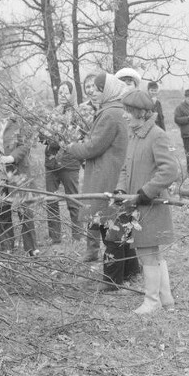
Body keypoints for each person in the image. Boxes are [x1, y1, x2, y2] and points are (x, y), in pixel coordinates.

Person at [66, 73, 138, 290]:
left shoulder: (110, 114)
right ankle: (131, 271)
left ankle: (111, 281)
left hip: (107, 175)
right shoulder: (118, 110)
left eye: (97, 89)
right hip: (117, 174)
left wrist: (70, 148)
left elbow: (93, 147)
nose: (92, 93)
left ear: (107, 90)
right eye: (91, 89)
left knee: (110, 229)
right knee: (122, 225)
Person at [114, 90, 180, 314]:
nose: (124, 115)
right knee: (151, 251)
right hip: (135, 203)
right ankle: (166, 298)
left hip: (150, 204)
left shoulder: (157, 135)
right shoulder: (134, 134)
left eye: (128, 111)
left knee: (147, 251)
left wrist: (145, 193)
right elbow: (126, 166)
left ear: (141, 113)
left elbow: (171, 170)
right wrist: (121, 189)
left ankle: (152, 302)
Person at [0, 91, 39, 256]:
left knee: (24, 208)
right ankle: (7, 247)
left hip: (17, 171)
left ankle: (31, 248)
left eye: (8, 102)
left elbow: (25, 146)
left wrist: (12, 157)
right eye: (1, 102)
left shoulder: (19, 122)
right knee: (1, 209)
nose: (4, 105)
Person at [42, 81, 83, 244]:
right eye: (60, 92)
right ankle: (54, 236)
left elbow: (76, 137)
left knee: (72, 200)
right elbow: (45, 134)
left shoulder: (78, 114)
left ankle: (78, 236)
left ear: (72, 94)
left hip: (69, 162)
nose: (62, 95)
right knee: (50, 200)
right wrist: (44, 135)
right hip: (51, 163)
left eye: (66, 92)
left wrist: (58, 138)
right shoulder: (53, 112)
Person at [78, 74, 101, 262]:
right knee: (91, 204)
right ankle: (92, 248)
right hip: (89, 161)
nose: (90, 89)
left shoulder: (108, 107)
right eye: (87, 86)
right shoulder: (82, 109)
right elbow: (76, 135)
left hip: (108, 161)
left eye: (93, 86)